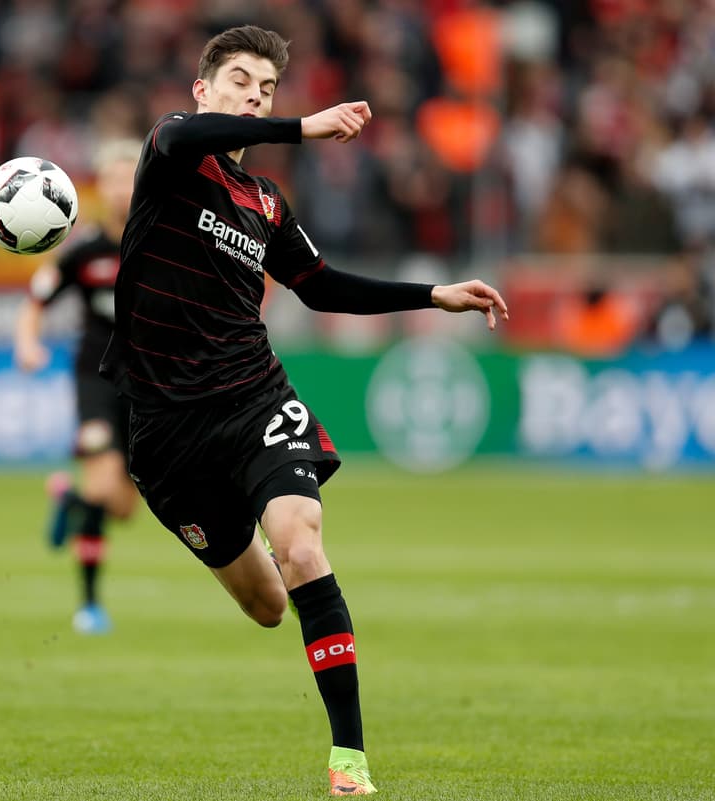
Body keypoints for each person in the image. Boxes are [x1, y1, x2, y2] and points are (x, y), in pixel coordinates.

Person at [100, 25, 507, 797]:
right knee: (265, 606)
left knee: (302, 544)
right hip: (166, 432)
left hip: (255, 397)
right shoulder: (171, 152)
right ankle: (263, 549)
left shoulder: (266, 203)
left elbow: (321, 287)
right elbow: (190, 135)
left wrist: (433, 295)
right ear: (203, 89)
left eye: (267, 89)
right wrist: (301, 127)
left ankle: (349, 758)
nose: (254, 96)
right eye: (240, 81)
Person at [13, 140, 140, 635]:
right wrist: (28, 343)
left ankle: (69, 500)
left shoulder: (164, 242)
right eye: (112, 180)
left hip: (150, 387)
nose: (121, 190)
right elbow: (36, 299)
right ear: (99, 189)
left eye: (129, 179)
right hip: (96, 379)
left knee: (123, 508)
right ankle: (89, 606)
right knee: (103, 485)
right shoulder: (83, 249)